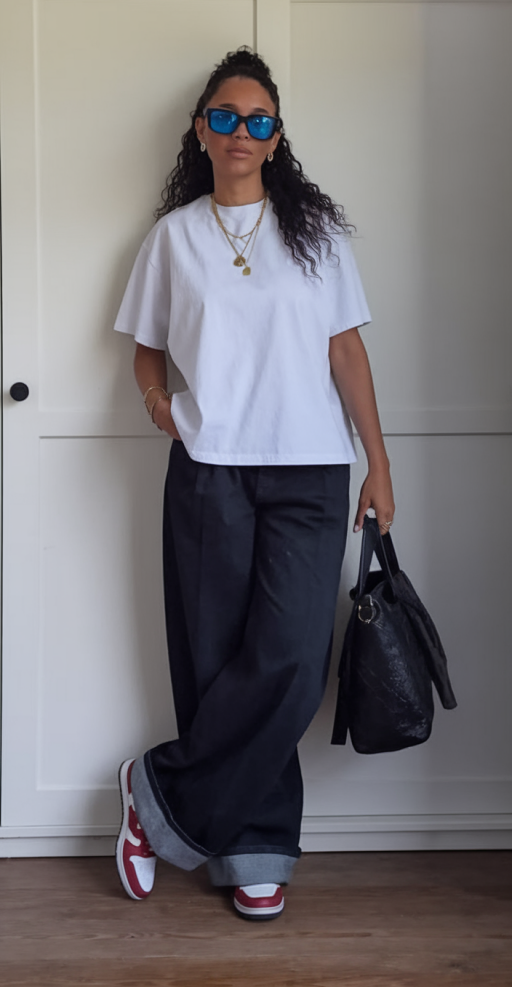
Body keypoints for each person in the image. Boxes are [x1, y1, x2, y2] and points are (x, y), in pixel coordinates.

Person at [114, 47, 394, 920]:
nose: (242, 130)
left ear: (276, 138)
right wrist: (159, 403)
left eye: (259, 119)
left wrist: (380, 462)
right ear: (201, 130)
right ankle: (254, 849)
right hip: (210, 467)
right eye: (226, 116)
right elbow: (145, 347)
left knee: (293, 662)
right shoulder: (173, 238)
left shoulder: (317, 235)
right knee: (216, 657)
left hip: (312, 468)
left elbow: (346, 350)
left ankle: (156, 792)